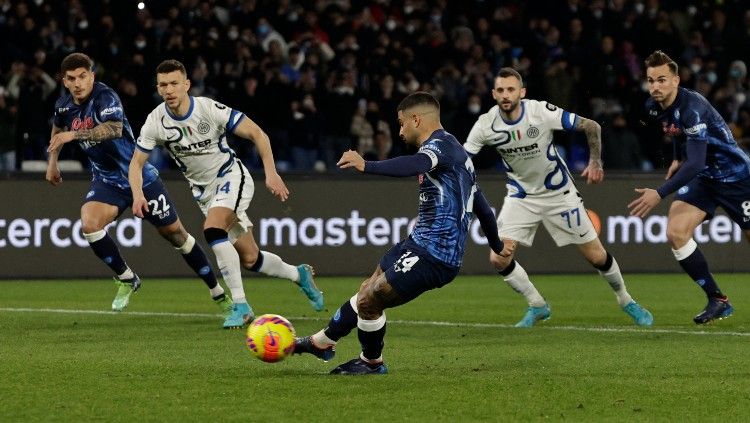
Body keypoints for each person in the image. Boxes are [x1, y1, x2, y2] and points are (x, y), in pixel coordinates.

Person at [292, 92, 505, 375]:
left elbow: (416, 164)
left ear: (417, 119)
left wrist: (366, 164)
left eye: (402, 123)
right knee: (367, 290)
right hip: (417, 243)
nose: (400, 130)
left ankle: (369, 362)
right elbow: (484, 210)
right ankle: (322, 343)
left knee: (372, 299)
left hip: (436, 255)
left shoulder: (440, 147)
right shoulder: (460, 156)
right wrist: (497, 245)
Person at [129, 59, 324, 329]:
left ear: (187, 84)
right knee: (251, 259)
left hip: (231, 176)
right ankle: (298, 274)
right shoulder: (155, 121)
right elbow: (136, 164)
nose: (169, 89)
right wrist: (138, 194)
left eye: (175, 83)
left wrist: (271, 173)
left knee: (212, 230)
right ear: (158, 88)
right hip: (204, 193)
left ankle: (241, 305)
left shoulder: (208, 109)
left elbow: (258, 133)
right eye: (163, 85)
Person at [464, 68, 653, 328]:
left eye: (511, 89)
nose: (506, 95)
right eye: (500, 90)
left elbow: (591, 125)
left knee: (596, 256)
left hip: (559, 194)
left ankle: (625, 300)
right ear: (494, 94)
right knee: (498, 258)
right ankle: (538, 305)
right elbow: (463, 160)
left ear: (522, 92)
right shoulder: (487, 124)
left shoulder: (539, 112)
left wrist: (595, 161)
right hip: (521, 197)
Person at [45, 52, 228, 316]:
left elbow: (114, 129)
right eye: (71, 78)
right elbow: (57, 127)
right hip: (107, 181)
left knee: (176, 235)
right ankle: (127, 278)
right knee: (89, 223)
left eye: (83, 76)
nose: (78, 83)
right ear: (65, 81)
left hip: (139, 176)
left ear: (92, 76)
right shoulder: (64, 106)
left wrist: (73, 135)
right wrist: (53, 162)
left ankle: (217, 291)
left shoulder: (105, 97)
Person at [628, 50, 750, 324]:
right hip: (706, 179)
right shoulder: (653, 106)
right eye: (651, 80)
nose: (655, 86)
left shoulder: (693, 108)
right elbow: (675, 133)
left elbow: (694, 163)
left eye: (661, 80)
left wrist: (659, 193)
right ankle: (718, 300)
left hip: (737, 178)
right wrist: (675, 157)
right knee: (675, 233)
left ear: (676, 81)